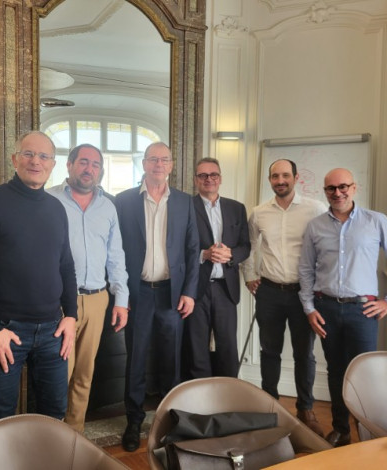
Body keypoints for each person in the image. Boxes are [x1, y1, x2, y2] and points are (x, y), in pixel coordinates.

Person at [0, 131, 77, 422]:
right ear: (15, 159)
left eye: (44, 156)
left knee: (53, 414)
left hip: (53, 331)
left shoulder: (56, 209)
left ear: (53, 164)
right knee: (1, 418)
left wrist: (71, 316)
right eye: (28, 154)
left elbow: (66, 266)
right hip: (5, 330)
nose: (36, 161)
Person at [298, 167, 387, 447]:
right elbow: (305, 269)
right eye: (331, 188)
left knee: (365, 374)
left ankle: (367, 433)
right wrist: (309, 308)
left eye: (343, 187)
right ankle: (341, 430)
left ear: (354, 188)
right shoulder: (315, 226)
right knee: (336, 371)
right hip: (325, 309)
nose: (337, 193)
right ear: (325, 192)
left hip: (363, 312)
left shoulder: (376, 221)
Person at [115, 142, 199, 452]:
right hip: (137, 292)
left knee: (171, 360)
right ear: (144, 163)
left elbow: (192, 249)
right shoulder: (124, 201)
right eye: (153, 159)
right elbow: (115, 249)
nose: (158, 165)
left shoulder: (185, 202)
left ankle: (168, 421)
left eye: (164, 160)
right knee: (135, 359)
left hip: (171, 293)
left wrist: (189, 292)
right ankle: (134, 420)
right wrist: (121, 294)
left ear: (171, 165)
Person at [241, 159, 327, 437]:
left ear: (296, 178)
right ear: (270, 180)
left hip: (303, 294)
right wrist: (249, 275)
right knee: (269, 351)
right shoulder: (259, 212)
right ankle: (271, 406)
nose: (280, 180)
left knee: (304, 354)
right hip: (269, 292)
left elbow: (327, 246)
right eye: (275, 176)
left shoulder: (315, 209)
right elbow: (249, 245)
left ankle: (306, 409)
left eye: (285, 175)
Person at [47, 144, 129, 432]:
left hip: (97, 299)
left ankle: (75, 434)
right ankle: (52, 436)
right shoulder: (49, 200)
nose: (89, 169)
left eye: (95, 164)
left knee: (84, 373)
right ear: (69, 165)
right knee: (59, 372)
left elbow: (115, 256)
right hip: (59, 302)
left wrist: (121, 300)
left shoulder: (108, 207)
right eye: (83, 162)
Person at [184, 158, 250, 378]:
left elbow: (245, 246)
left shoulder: (236, 208)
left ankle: (227, 393)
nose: (208, 179)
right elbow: (177, 247)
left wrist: (231, 255)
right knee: (196, 348)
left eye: (213, 174)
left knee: (228, 347)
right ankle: (199, 395)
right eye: (202, 175)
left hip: (225, 289)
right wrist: (204, 254)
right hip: (195, 289)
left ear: (220, 178)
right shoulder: (185, 207)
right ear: (196, 180)